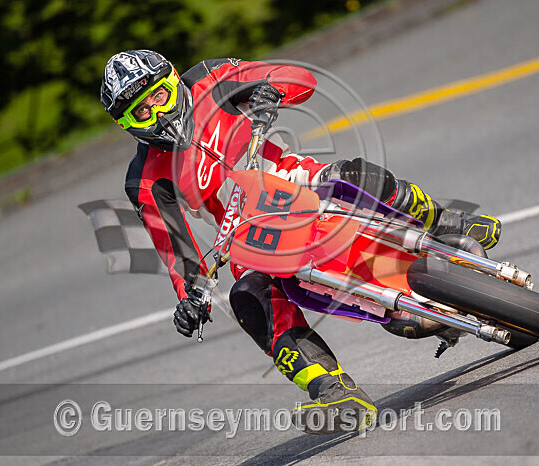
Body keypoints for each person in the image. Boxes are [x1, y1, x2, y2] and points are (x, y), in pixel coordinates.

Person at [100, 50, 501, 433]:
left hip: (292, 178)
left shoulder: (210, 78)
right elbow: (177, 252)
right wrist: (191, 297)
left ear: (173, 81)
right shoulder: (144, 179)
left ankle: (443, 221)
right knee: (247, 296)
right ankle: (332, 390)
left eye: (159, 95)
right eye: (141, 110)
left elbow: (298, 78)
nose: (156, 111)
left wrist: (272, 90)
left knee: (354, 174)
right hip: (244, 233)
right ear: (127, 125)